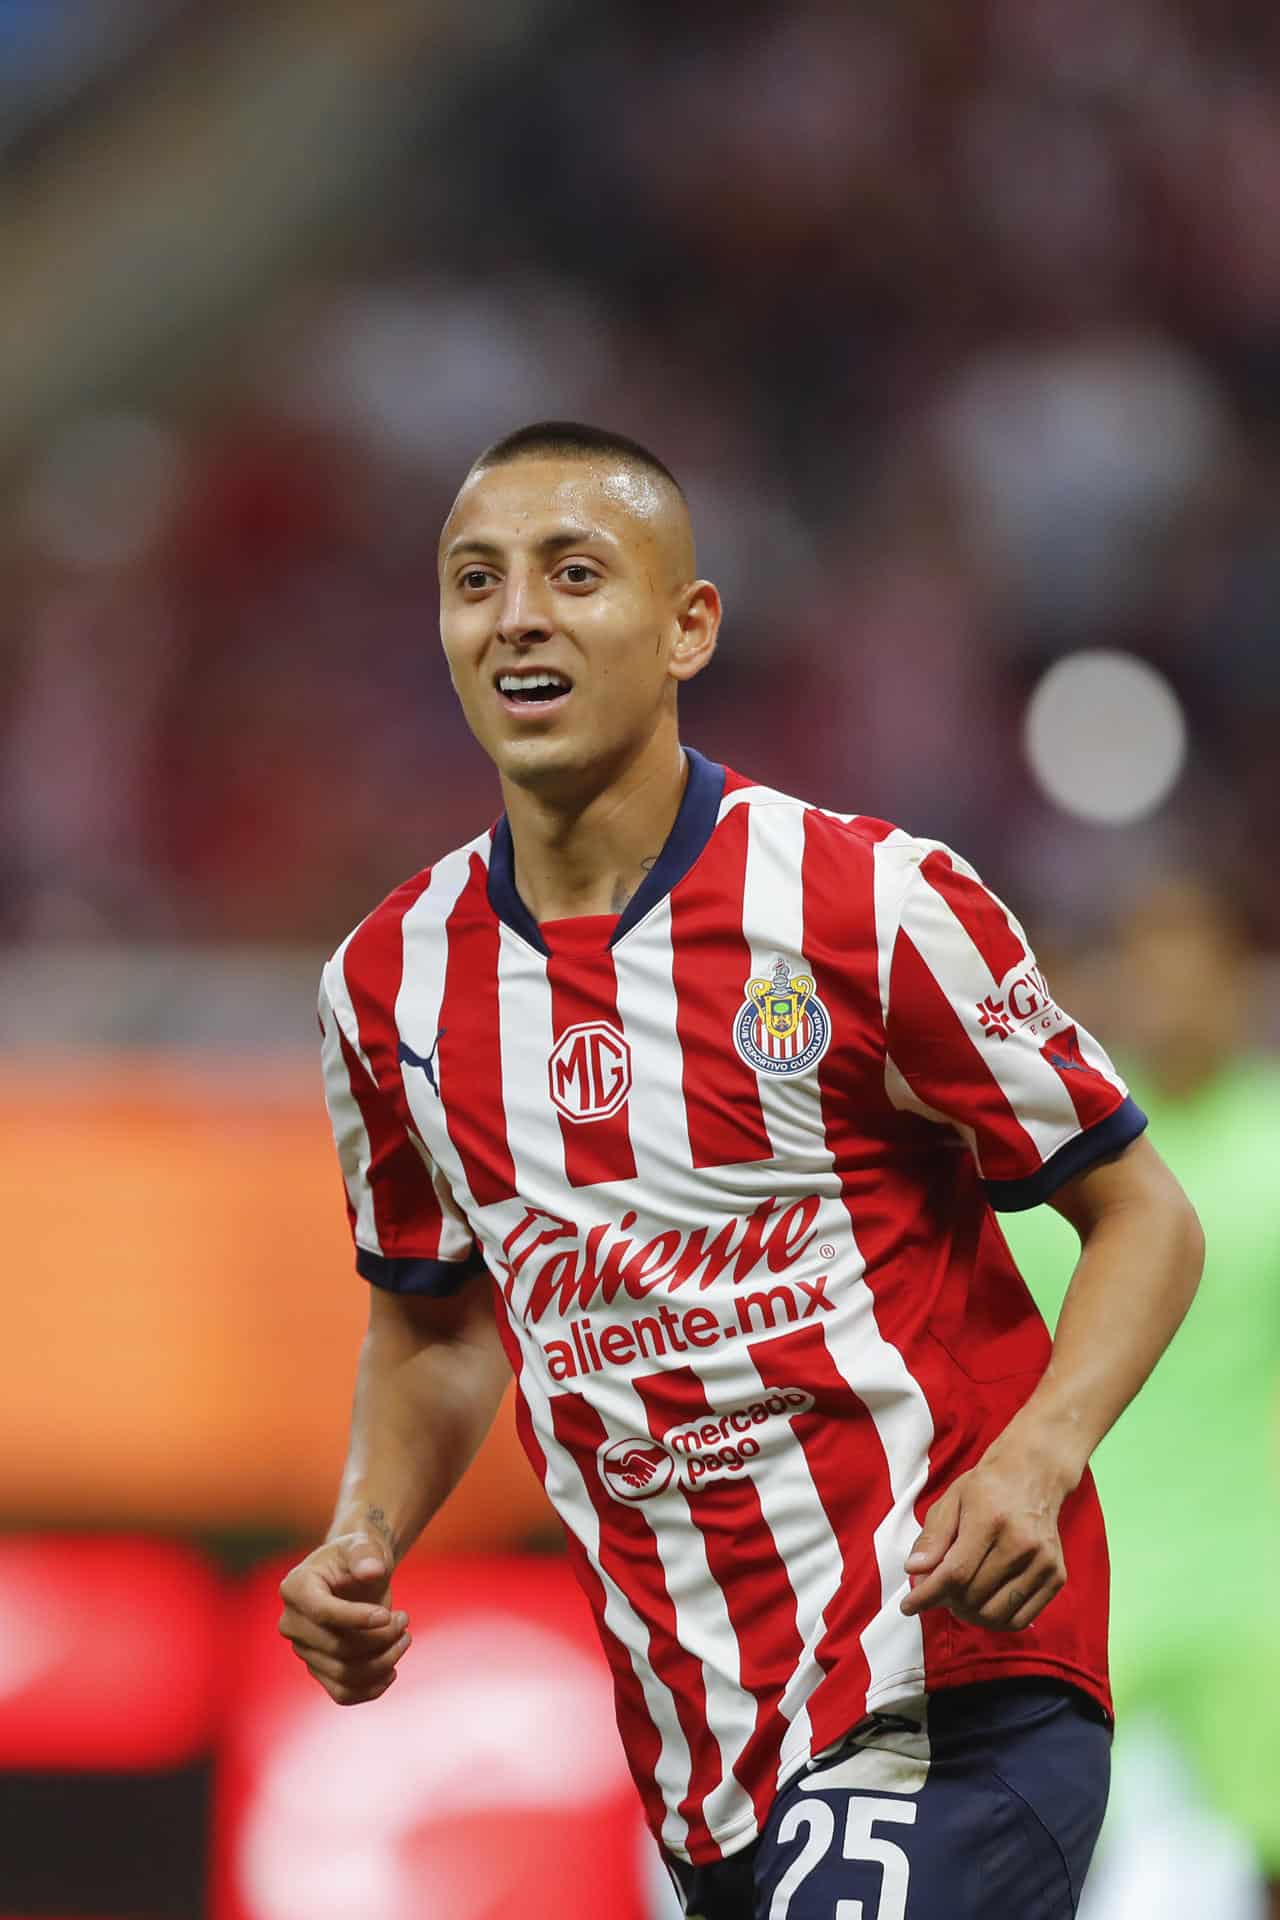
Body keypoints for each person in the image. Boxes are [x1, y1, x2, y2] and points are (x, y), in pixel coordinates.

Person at [278, 422, 1204, 1920]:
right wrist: (365, 1534)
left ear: (688, 626)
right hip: (703, 1753)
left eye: (575, 574)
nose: (517, 614)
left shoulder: (867, 904)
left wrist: (1038, 1458)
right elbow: (438, 1326)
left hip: (947, 1680)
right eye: (475, 582)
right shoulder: (387, 988)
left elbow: (1142, 1211)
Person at [1003, 879, 1280, 1920]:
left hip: (1252, 1607)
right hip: (1082, 1608)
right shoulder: (1065, 1183)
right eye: (1140, 960)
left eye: (1187, 957)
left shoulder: (1271, 1149)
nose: (1164, 988)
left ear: (1234, 974)